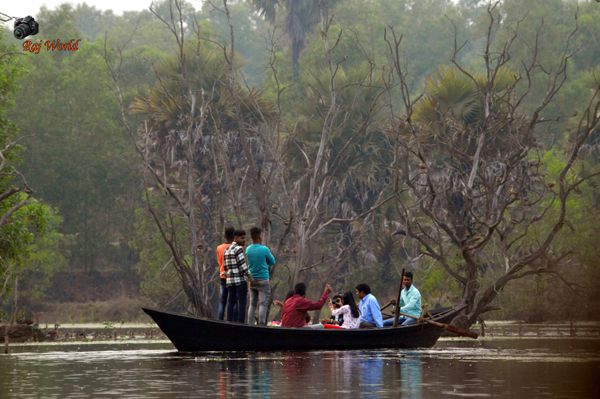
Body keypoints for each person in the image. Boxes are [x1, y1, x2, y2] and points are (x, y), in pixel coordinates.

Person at [246, 226, 276, 325]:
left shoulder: (248, 249)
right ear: (259, 236)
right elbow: (272, 262)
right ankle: (261, 324)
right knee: (263, 303)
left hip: (252, 280)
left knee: (252, 303)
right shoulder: (264, 249)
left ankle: (250, 323)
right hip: (263, 279)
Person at [224, 229, 251, 323]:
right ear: (235, 238)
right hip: (239, 281)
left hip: (230, 281)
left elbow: (226, 267)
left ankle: (229, 322)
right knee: (242, 303)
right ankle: (241, 324)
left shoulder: (227, 250)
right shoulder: (238, 249)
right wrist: (250, 278)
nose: (244, 240)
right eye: (242, 238)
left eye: (244, 238)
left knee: (231, 302)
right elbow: (243, 266)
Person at [216, 226, 235, 320]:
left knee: (222, 301)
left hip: (223, 276)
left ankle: (220, 320)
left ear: (225, 236)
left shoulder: (219, 248)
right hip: (233, 278)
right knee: (232, 301)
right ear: (234, 236)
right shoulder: (236, 248)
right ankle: (231, 321)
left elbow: (219, 263)